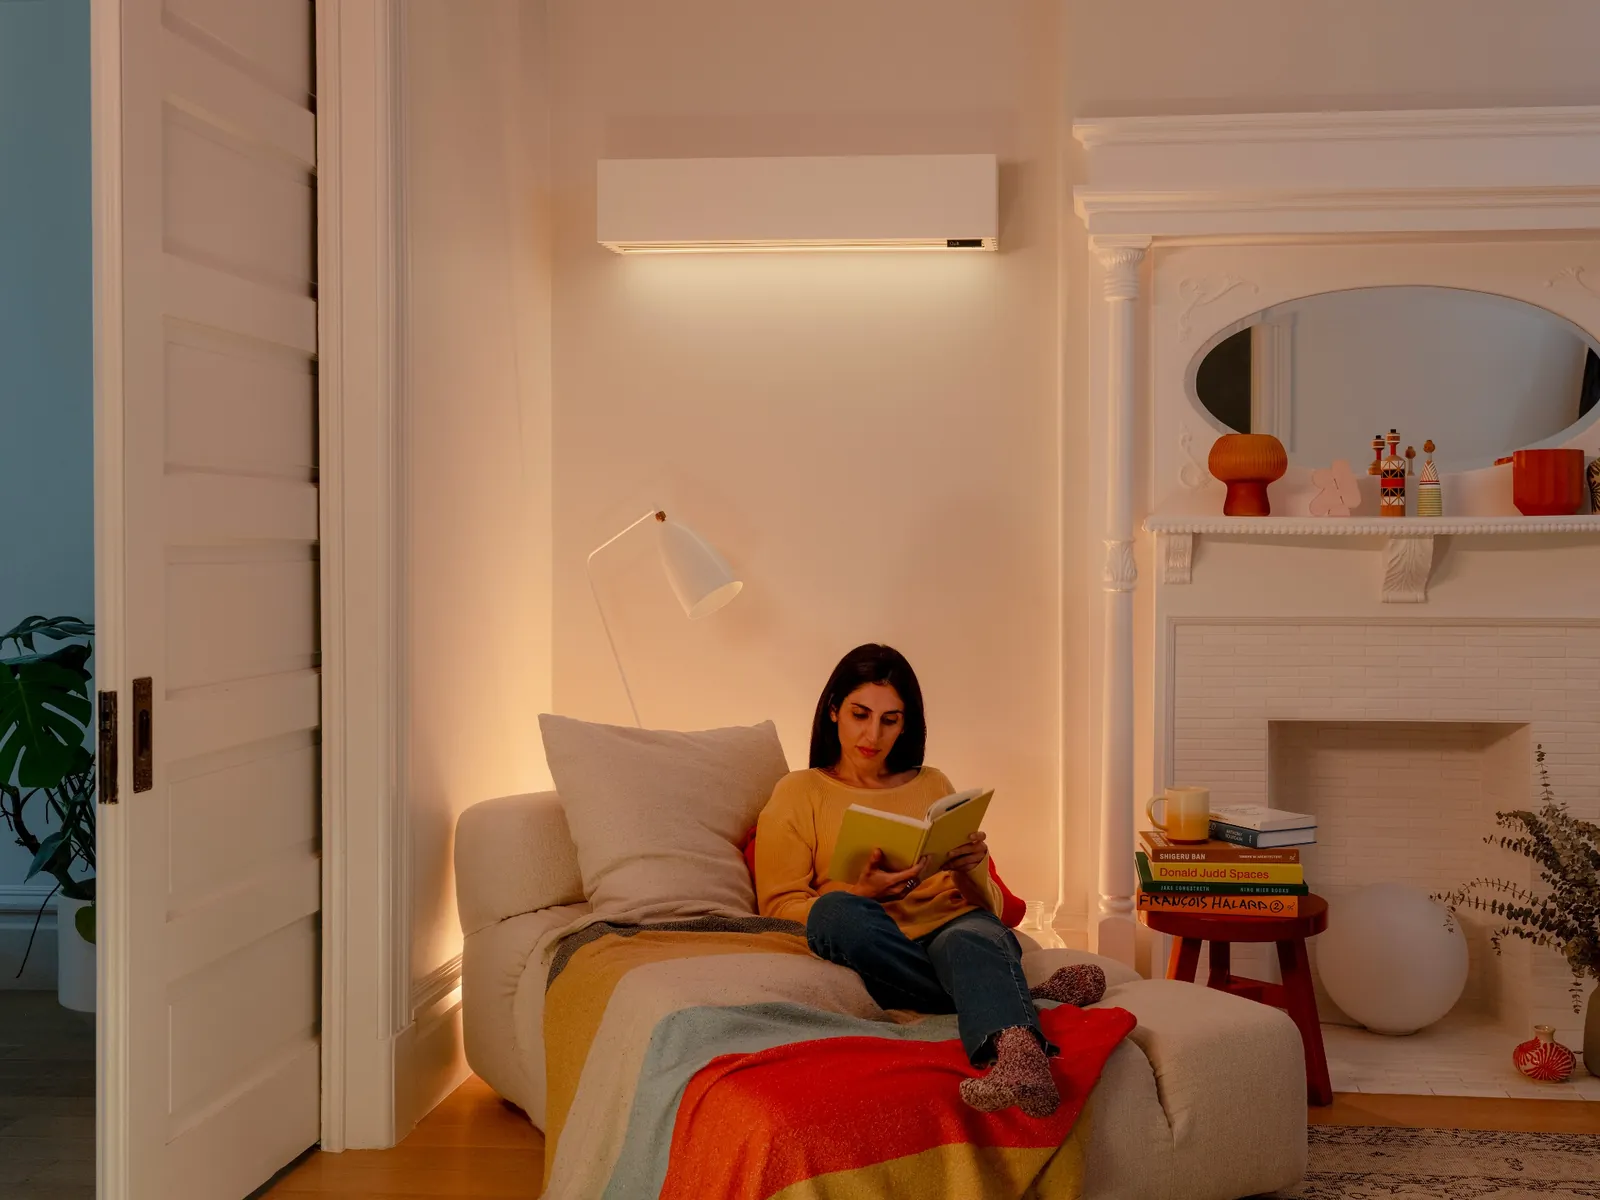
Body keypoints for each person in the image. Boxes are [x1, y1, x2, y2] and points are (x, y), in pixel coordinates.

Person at [754, 643, 1105, 1117]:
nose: (872, 735)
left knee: (972, 936)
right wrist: (863, 893)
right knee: (836, 913)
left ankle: (1019, 1058)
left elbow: (992, 911)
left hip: (951, 928)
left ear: (906, 723)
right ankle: (1018, 997)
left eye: (890, 720)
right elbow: (778, 906)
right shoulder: (799, 792)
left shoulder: (932, 783)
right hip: (876, 939)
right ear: (834, 710)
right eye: (860, 714)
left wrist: (970, 866)